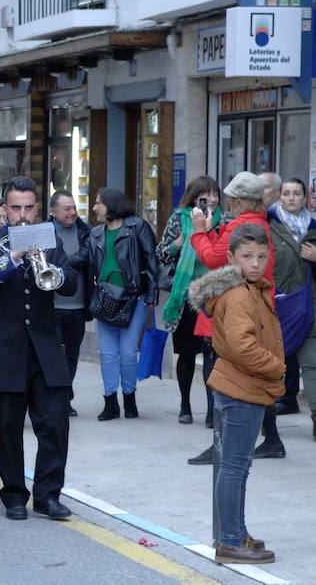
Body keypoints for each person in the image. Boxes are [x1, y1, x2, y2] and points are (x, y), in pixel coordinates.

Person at [0, 177, 78, 521]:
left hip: (46, 349)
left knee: (55, 425)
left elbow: (71, 282)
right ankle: (15, 495)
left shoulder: (50, 239)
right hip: (5, 350)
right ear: (5, 208)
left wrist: (53, 269)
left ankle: (48, 495)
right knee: (7, 428)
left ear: (38, 209)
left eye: (28, 207)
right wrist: (15, 256)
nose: (22, 215)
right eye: (15, 207)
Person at [186, 223, 283, 565]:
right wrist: (277, 367)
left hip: (242, 386)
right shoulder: (240, 294)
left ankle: (235, 532)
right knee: (234, 467)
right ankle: (229, 539)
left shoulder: (250, 288)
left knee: (237, 467)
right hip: (242, 387)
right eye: (247, 257)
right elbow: (243, 346)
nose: (255, 263)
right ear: (230, 258)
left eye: (261, 256)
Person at [186, 171, 282, 465]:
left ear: (239, 200)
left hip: (237, 302)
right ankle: (271, 439)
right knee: (251, 370)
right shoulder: (261, 224)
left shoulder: (241, 227)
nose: (227, 202)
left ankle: (221, 441)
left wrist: (199, 231)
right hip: (257, 303)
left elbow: (213, 258)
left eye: (230, 198)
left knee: (224, 369)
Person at [74, 188, 158, 420]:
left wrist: (151, 296)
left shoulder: (137, 227)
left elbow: (151, 261)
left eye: (98, 203)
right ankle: (110, 402)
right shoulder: (95, 233)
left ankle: (129, 398)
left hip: (134, 298)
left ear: (110, 205)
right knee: (107, 354)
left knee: (128, 352)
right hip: (104, 298)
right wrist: (56, 260)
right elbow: (83, 258)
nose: (94, 208)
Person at [156, 176, 223, 423]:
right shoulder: (179, 218)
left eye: (215, 194)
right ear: (195, 198)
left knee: (211, 354)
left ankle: (210, 411)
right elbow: (161, 254)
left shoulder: (223, 221)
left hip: (213, 296)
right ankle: (185, 404)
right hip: (186, 296)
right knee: (185, 354)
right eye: (206, 195)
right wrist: (178, 243)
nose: (212, 200)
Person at [268, 178, 316, 417]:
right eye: (286, 193)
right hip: (279, 299)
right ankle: (281, 398)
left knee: (304, 354)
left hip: (307, 300)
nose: (291, 198)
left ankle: (302, 404)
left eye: (296, 193)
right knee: (279, 352)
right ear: (279, 196)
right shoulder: (269, 223)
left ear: (305, 197)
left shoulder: (313, 226)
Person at [49, 190, 90, 417]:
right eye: (67, 209)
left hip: (78, 306)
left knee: (72, 356)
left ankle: (66, 396)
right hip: (51, 306)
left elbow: (87, 258)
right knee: (54, 355)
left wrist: (62, 264)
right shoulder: (44, 233)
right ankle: (56, 396)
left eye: (74, 208)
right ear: (53, 212)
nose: (73, 212)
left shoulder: (86, 231)